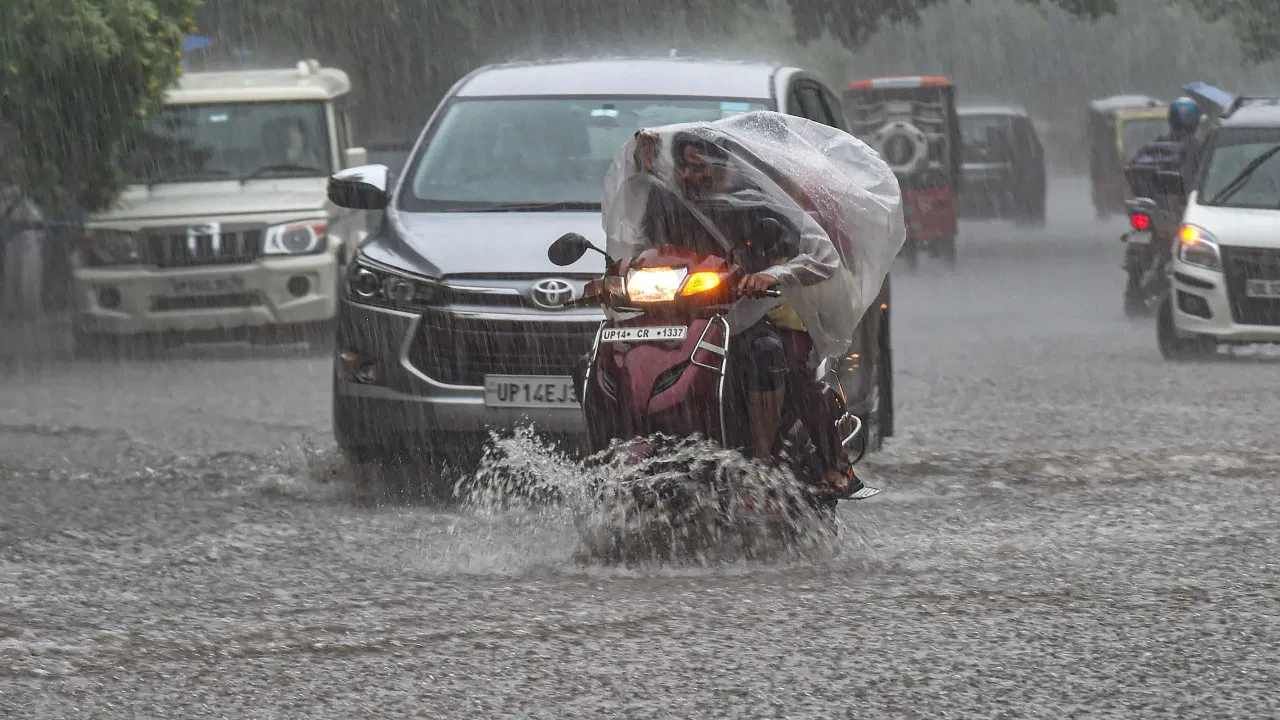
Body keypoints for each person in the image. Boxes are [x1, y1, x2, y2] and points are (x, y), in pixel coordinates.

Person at [637, 130, 877, 499]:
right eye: (684, 166)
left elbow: (822, 257)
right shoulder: (667, 203)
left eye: (701, 167)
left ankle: (796, 464)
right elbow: (642, 251)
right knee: (614, 357)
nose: (693, 176)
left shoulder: (759, 203)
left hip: (763, 313)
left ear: (724, 166)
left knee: (771, 356)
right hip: (684, 318)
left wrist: (771, 275)